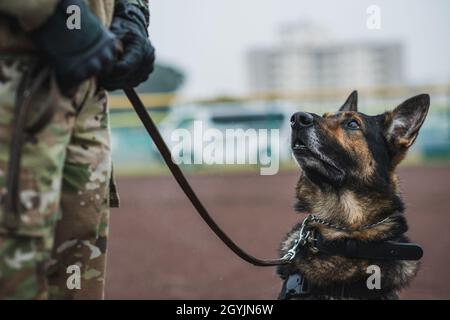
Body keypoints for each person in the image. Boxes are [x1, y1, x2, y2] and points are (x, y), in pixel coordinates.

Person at [0, 0, 155, 299]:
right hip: (16, 71)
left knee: (78, 265)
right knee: (15, 270)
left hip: (87, 80)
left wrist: (131, 11)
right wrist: (56, 11)